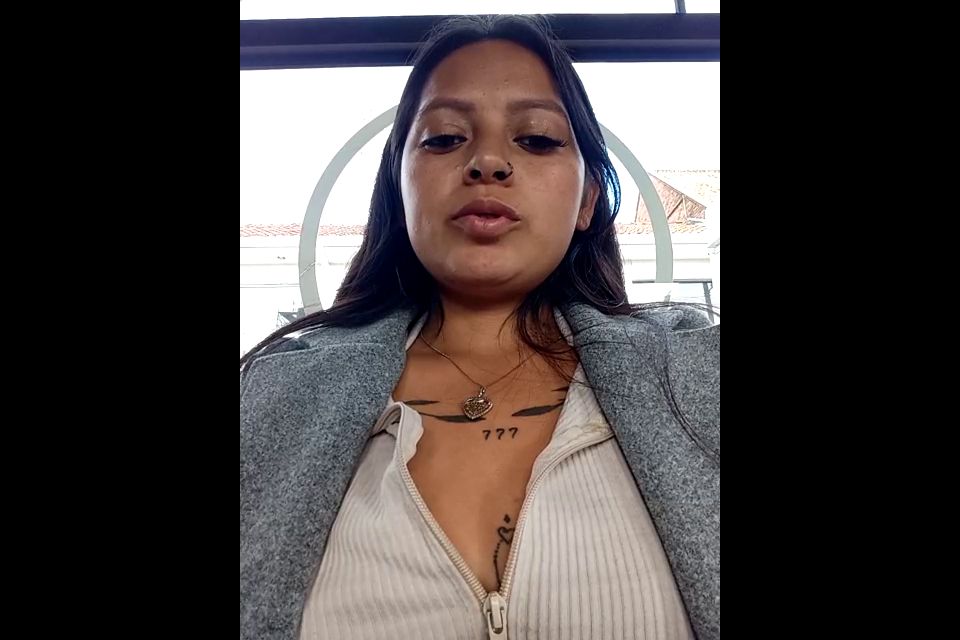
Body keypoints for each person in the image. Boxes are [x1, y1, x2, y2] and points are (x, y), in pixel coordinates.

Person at [240, 14, 719, 640]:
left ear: (586, 201)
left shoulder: (700, 378)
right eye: (443, 138)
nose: (487, 161)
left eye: (537, 139)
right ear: (399, 189)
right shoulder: (268, 401)